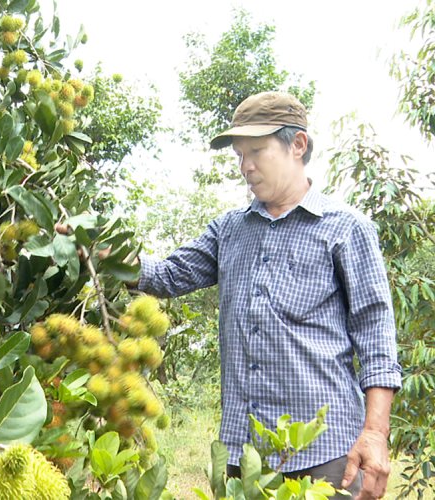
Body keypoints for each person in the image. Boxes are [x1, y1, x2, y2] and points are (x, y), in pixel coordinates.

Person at [60, 91, 401, 500]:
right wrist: (101, 251)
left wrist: (375, 435)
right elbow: (168, 274)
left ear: (298, 145)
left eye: (256, 151)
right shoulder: (229, 230)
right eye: (239, 154)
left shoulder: (346, 229)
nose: (246, 166)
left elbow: (377, 340)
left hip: (326, 455)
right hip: (244, 457)